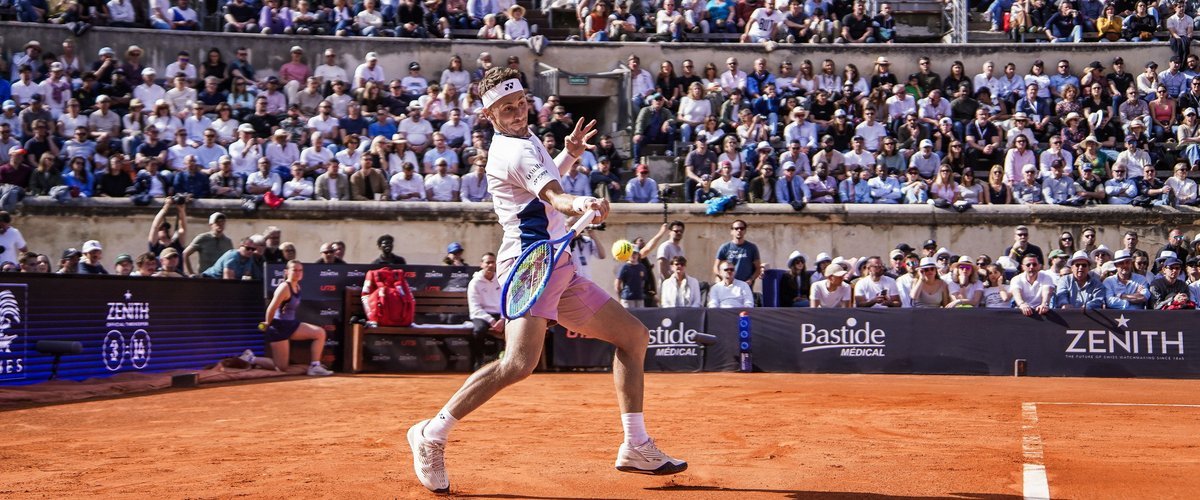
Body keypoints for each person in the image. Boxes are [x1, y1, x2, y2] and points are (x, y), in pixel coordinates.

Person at [406, 67, 685, 495]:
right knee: (518, 364)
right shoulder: (512, 151)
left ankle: (636, 445)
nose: (518, 113)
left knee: (633, 337)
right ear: (489, 114)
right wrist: (583, 202)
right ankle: (432, 433)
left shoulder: (525, 139)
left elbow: (545, 182)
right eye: (506, 109)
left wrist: (570, 155)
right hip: (529, 264)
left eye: (521, 104)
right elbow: (554, 196)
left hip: (558, 263)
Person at [262, 260, 334, 376]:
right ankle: (252, 358)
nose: (298, 273)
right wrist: (267, 323)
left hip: (292, 325)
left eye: (300, 270)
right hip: (278, 327)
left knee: (320, 333)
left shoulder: (298, 287)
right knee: (281, 367)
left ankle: (315, 366)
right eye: (294, 270)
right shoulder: (284, 288)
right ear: (286, 272)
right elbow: (271, 308)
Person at [467, 252, 504, 369]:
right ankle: (479, 362)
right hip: (481, 315)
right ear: (481, 264)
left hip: (501, 315)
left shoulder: (502, 280)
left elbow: (507, 302)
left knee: (515, 328)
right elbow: (475, 307)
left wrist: (503, 319)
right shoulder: (474, 283)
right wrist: (492, 320)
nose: (490, 265)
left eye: (493, 262)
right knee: (479, 330)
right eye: (487, 262)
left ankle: (505, 361)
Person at [713, 219, 762, 289]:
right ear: (731, 231)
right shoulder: (725, 247)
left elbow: (758, 268)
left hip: (745, 286)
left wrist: (751, 279)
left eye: (742, 228)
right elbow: (716, 267)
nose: (739, 231)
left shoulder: (752, 248)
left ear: (745, 231)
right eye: (736, 228)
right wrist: (721, 278)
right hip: (728, 286)